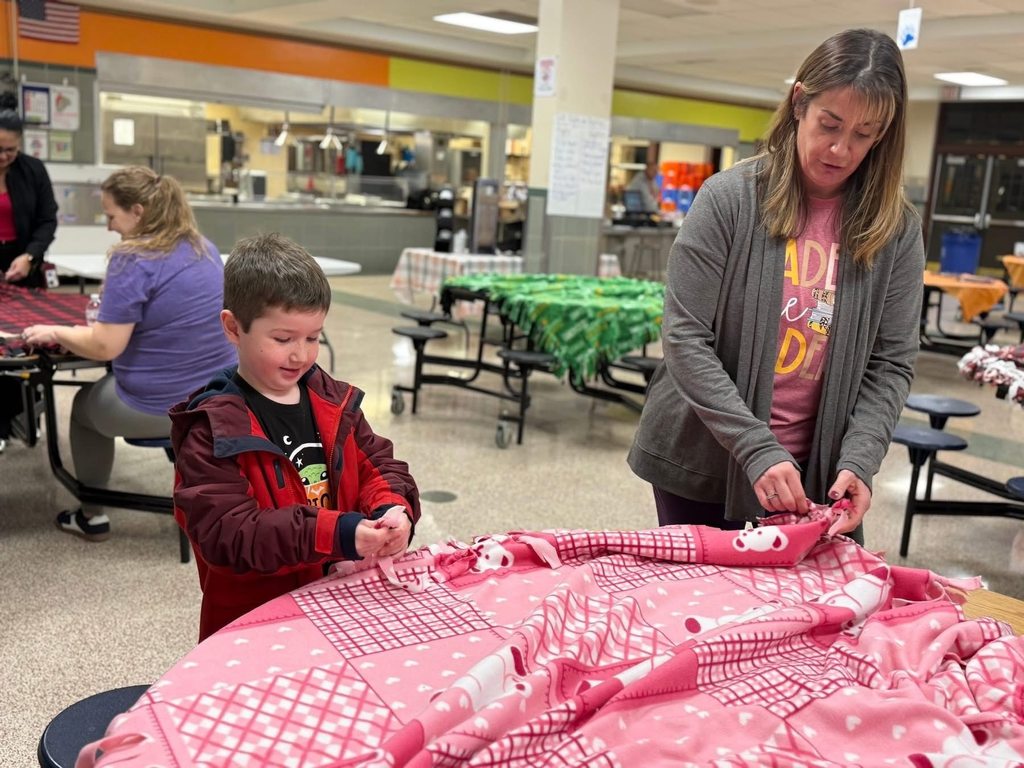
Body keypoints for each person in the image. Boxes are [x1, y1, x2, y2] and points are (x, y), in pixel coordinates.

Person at [627, 28, 925, 545]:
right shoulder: (729, 199)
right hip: (704, 459)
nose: (840, 148)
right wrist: (756, 447)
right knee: (710, 615)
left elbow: (891, 361)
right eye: (829, 123)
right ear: (798, 103)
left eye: (864, 133)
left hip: (818, 475)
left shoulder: (895, 229)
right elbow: (684, 337)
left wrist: (861, 457)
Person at [169, 233, 420, 641]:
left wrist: (393, 508)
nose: (300, 355)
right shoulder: (212, 429)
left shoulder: (333, 402)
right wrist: (334, 533)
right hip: (253, 626)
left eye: (313, 337)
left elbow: (380, 466)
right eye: (283, 339)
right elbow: (231, 535)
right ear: (234, 327)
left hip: (336, 607)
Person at [22, 166, 237, 540]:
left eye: (110, 215)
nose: (109, 226)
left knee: (84, 406)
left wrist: (57, 331)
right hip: (218, 396)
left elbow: (107, 345)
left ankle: (92, 515)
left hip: (161, 404)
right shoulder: (204, 247)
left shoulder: (134, 258)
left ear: (137, 212)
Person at [0, 92, 58, 453]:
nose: (4, 157)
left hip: (23, 267)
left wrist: (30, 256)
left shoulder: (33, 171)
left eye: (11, 150)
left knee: (25, 343)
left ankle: (22, 413)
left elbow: (47, 219)